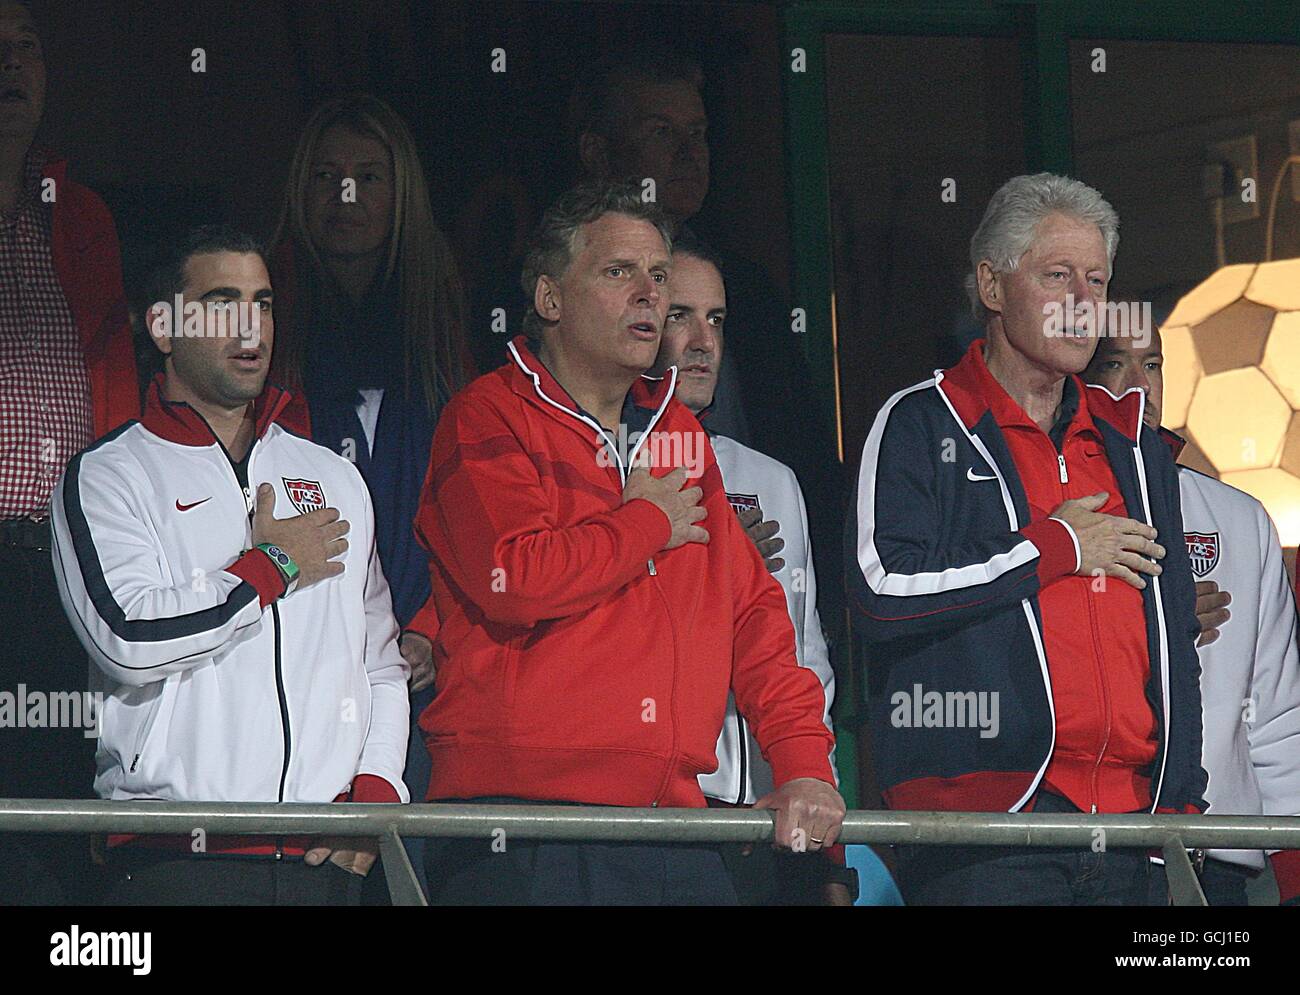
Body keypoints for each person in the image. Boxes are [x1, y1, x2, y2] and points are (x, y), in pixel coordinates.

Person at [414, 181, 844, 905]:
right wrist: (643, 522)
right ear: (550, 299)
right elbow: (514, 577)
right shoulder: (485, 416)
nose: (650, 294)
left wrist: (803, 763)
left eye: (658, 275)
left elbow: (753, 617)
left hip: (672, 824)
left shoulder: (676, 434)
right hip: (521, 831)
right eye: (619, 272)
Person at [847, 173, 1207, 905]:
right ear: (991, 284)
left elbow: (1173, 638)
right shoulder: (921, 421)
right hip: (989, 829)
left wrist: (1180, 805)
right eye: (1058, 276)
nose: (1084, 300)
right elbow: (881, 592)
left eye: (1097, 280)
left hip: (1134, 830)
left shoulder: (1132, 443)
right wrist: (1053, 547)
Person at [50, 225, 409, 905]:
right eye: (223, 302)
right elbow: (128, 638)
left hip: (324, 861)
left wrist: (379, 788)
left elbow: (381, 664)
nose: (253, 324)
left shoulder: (333, 475)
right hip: (174, 861)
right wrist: (270, 565)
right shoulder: (107, 475)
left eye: (265, 302)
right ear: (163, 326)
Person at [268, 93, 472, 887]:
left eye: (367, 176)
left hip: (420, 660)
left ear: (403, 194)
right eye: (325, 175)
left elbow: (466, 508)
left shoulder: (440, 319)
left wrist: (425, 629)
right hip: (299, 646)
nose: (345, 196)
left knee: (407, 869)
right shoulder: (269, 319)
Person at [567, 48, 844, 626]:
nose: (689, 152)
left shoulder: (750, 288)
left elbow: (801, 460)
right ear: (597, 152)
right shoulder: (566, 297)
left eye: (698, 132)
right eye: (661, 132)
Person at [649, 231, 854, 905]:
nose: (703, 340)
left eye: (716, 319)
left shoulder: (772, 479)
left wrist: (829, 846)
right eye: (680, 314)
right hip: (660, 814)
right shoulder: (609, 464)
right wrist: (702, 560)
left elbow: (806, 658)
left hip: (769, 819)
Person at [1085, 322, 1300, 906]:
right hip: (1088, 851)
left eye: (1151, 365)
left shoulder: (1238, 517)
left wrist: (1292, 865)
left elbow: (1276, 707)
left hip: (1219, 853)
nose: (1139, 387)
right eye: (1112, 365)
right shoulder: (1052, 518)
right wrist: (1150, 619)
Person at [0, 0, 138, 904]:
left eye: (26, 47)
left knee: (51, 825)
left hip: (57, 566)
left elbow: (118, 390)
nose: (11, 64)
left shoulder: (79, 212)